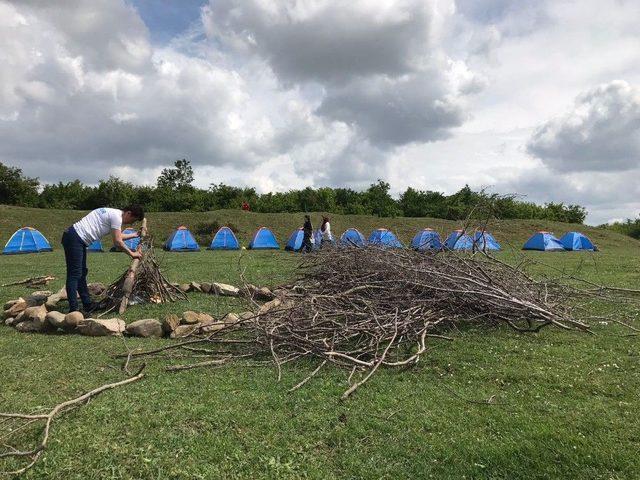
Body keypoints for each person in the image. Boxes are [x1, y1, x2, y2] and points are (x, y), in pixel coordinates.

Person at [62, 205, 144, 313]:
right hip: (75, 238)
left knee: (81, 273)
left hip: (75, 237)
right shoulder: (117, 217)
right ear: (128, 213)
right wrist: (132, 253)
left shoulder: (115, 214)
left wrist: (134, 235)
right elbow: (117, 242)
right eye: (132, 220)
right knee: (75, 274)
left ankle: (87, 305)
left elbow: (118, 236)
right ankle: (73, 309)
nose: (130, 224)